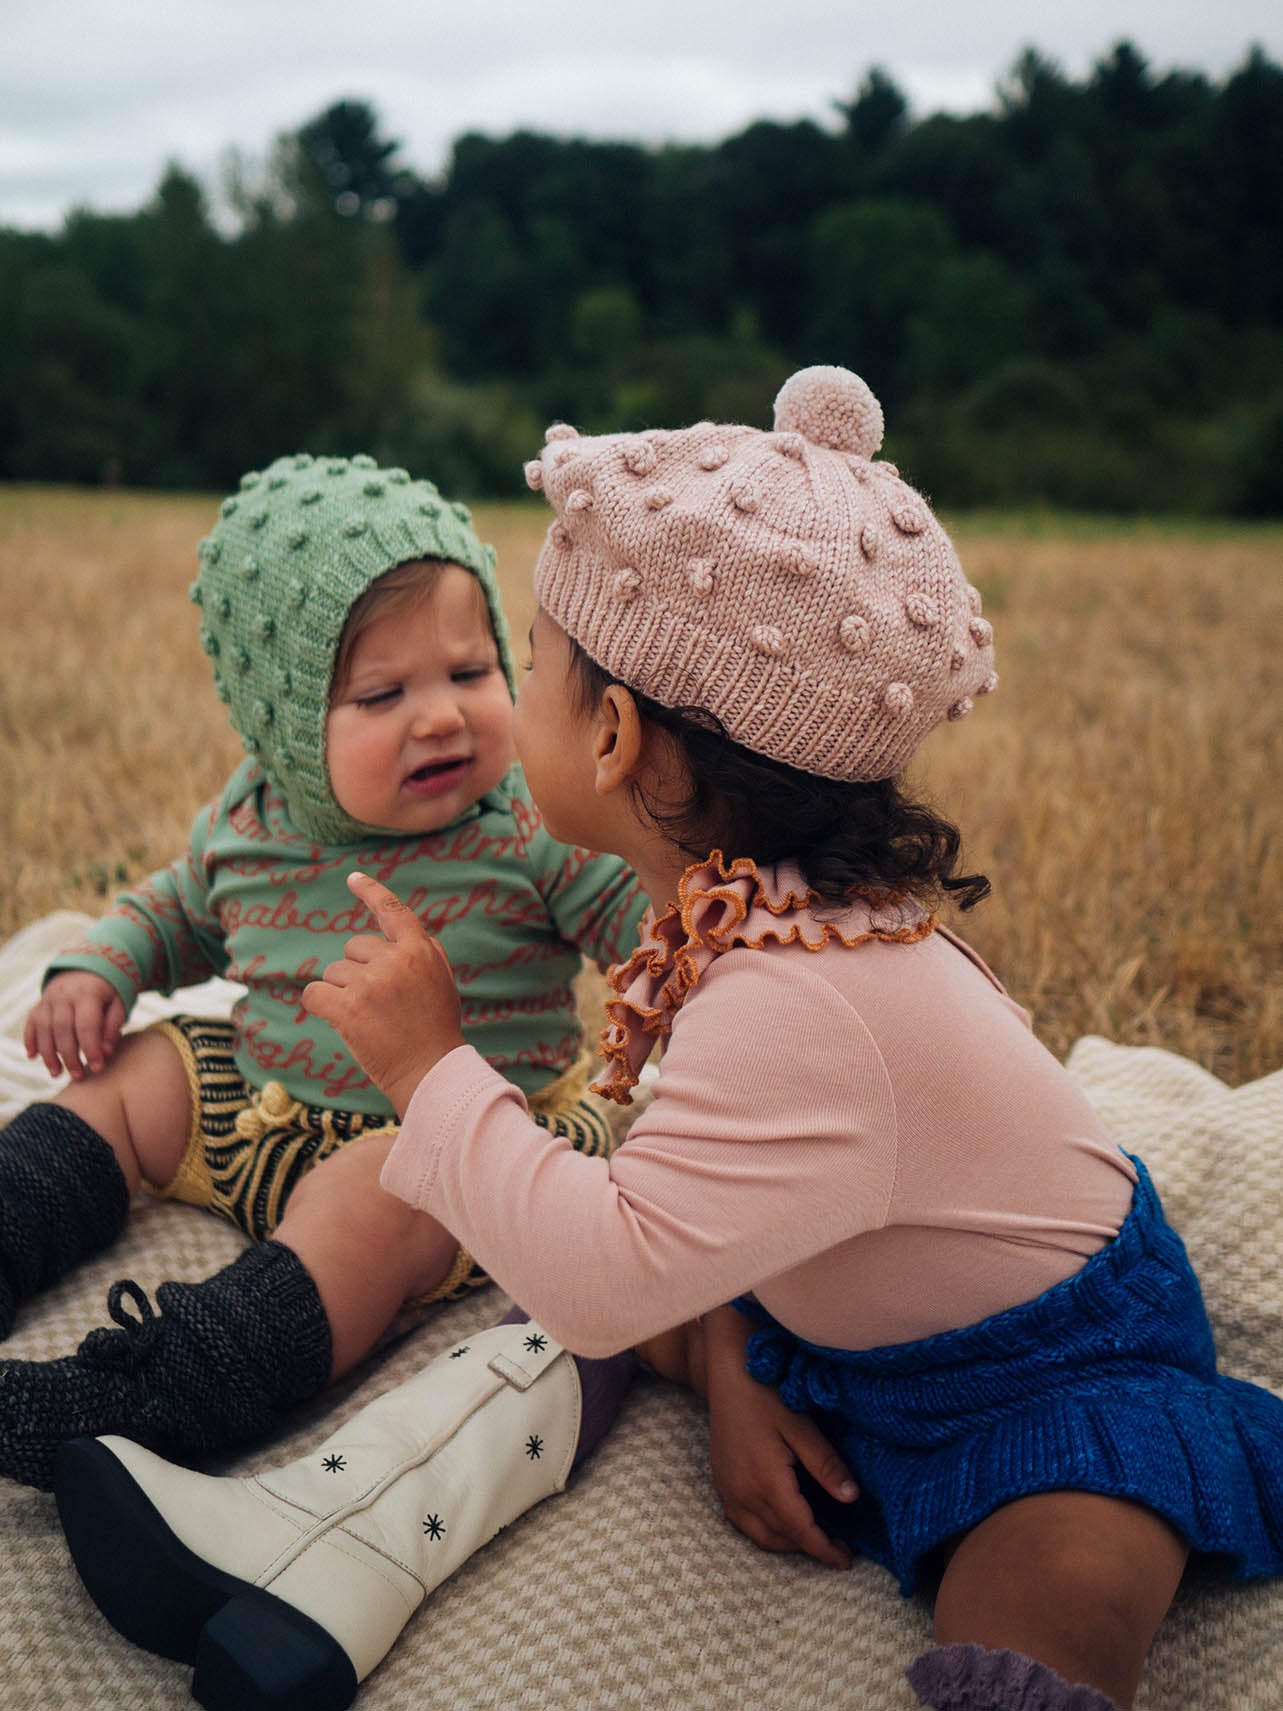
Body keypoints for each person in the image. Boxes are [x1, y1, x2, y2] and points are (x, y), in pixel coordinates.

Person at [53, 367, 1283, 1711]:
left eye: (523, 660)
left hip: (1055, 1376)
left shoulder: (792, 1001)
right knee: (577, 1293)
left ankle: (312, 1522)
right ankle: (331, 1532)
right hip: (854, 1312)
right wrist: (736, 1341)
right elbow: (723, 1201)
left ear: (616, 731)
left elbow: (597, 1271)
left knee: (1031, 1632)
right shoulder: (754, 915)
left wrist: (425, 1066)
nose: (495, 701)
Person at [0, 451, 646, 1492]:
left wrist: (681, 979)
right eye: (382, 692)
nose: (439, 716)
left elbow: (641, 930)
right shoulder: (254, 817)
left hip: (458, 1138)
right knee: (135, 1075)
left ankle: (171, 1384)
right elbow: (174, 907)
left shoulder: (530, 825)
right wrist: (101, 969)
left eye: (471, 674)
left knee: (376, 1191)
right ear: (288, 725)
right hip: (259, 1108)